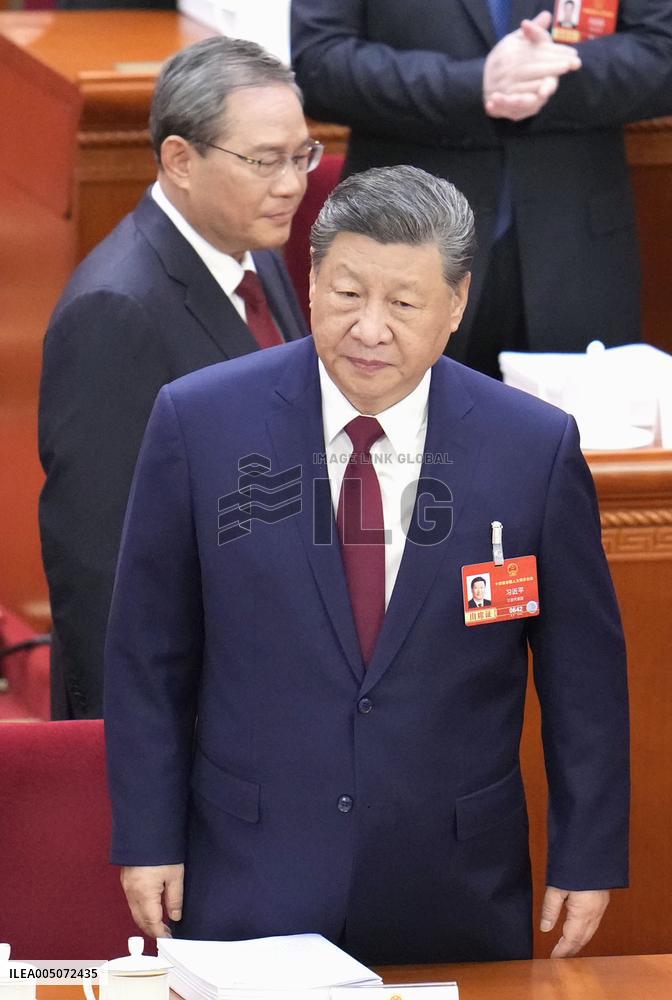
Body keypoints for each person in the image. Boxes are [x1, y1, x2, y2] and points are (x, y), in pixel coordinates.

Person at [105, 165, 629, 966]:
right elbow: (148, 655)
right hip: (251, 865)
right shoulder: (199, 421)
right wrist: (146, 834)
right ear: (311, 282)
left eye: (405, 303)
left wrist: (586, 852)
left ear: (456, 305)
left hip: (454, 876)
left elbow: (583, 677)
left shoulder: (532, 448)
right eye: (348, 294)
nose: (371, 329)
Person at [38, 37, 315, 719]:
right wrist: (131, 749)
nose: (291, 184)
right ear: (180, 160)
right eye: (264, 161)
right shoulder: (117, 311)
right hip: (184, 708)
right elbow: (97, 565)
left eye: (301, 156)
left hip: (268, 676)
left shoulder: (251, 251)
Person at [291, 0, 672, 378]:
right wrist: (475, 84)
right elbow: (320, 63)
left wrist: (542, 78)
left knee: (577, 433)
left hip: (576, 244)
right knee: (399, 432)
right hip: (401, 239)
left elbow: (662, 51)